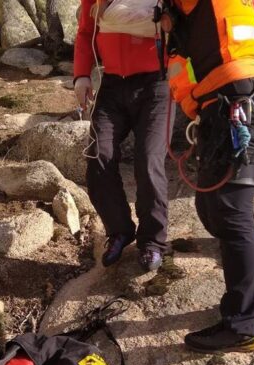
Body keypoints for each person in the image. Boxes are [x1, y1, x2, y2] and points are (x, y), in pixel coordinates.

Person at [161, 0, 254, 353]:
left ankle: (241, 325)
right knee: (213, 206)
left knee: (231, 212)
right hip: (231, 101)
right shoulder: (186, 16)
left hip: (239, 100)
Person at [73, 0, 172, 272]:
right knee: (98, 158)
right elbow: (85, 32)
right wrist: (81, 75)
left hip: (157, 83)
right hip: (113, 83)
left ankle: (152, 242)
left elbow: (184, 27)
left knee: (148, 160)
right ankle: (119, 230)